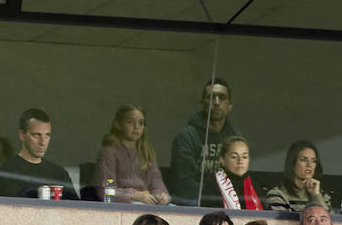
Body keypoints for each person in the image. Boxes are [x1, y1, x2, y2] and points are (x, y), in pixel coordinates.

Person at [168, 77, 239, 206]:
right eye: (211, 97)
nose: (216, 102)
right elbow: (184, 183)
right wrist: (214, 198)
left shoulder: (236, 139)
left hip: (225, 203)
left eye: (222, 97)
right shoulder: (187, 136)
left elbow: (239, 179)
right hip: (192, 202)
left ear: (230, 106)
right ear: (203, 103)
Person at [94, 104, 169, 205]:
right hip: (124, 204)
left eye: (141, 123)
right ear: (118, 124)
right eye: (130, 122)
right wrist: (134, 195)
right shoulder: (109, 153)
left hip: (147, 202)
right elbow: (106, 192)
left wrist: (161, 196)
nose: (136, 127)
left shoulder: (147, 153)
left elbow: (157, 185)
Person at [0, 109, 74, 199]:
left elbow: (77, 209)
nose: (43, 142)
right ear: (22, 135)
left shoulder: (59, 173)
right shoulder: (8, 172)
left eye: (47, 135)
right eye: (36, 135)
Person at [265, 141, 331, 212]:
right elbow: (283, 222)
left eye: (313, 161)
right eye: (303, 159)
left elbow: (329, 221)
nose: (309, 164)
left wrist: (316, 196)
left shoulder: (322, 196)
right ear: (292, 163)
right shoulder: (277, 195)